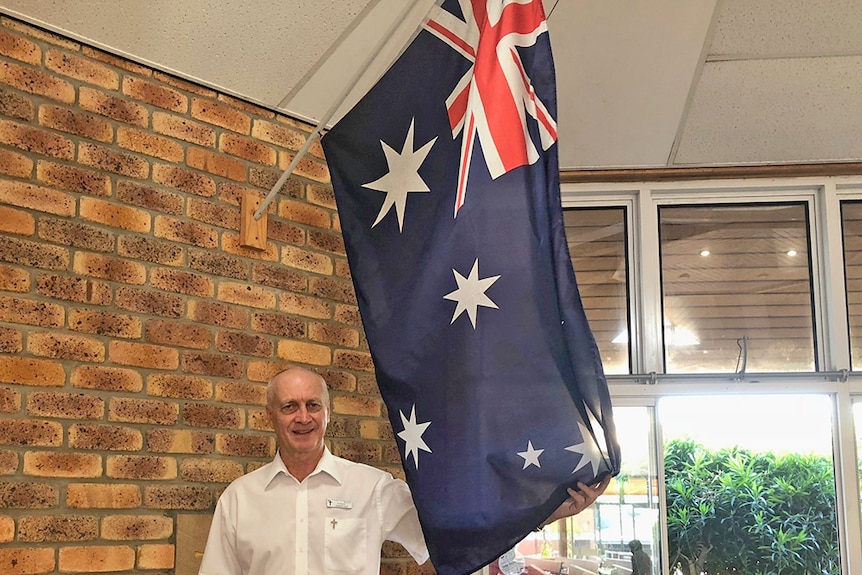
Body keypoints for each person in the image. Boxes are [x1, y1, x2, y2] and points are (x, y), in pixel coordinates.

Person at [199, 367, 609, 575]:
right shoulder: (239, 499)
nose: (302, 417)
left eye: (313, 405)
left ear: (328, 414)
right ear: (271, 415)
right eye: (290, 406)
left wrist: (547, 510)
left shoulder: (371, 488)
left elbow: (458, 531)